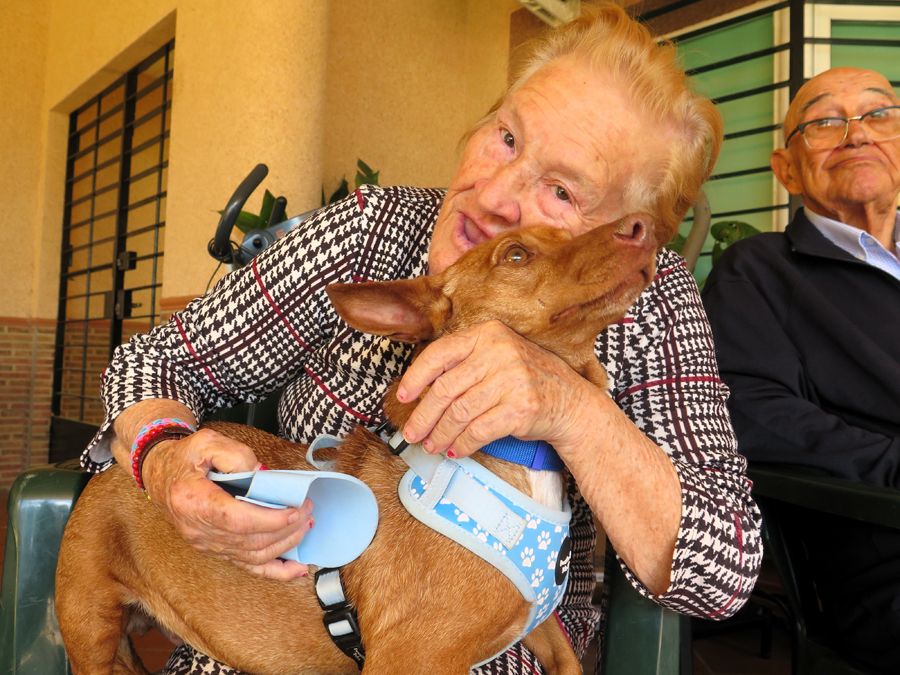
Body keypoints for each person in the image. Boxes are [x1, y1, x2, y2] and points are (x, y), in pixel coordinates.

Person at [84, 4, 762, 672]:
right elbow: (161, 358)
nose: (496, 192)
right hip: (267, 634)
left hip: (503, 648)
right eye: (506, 138)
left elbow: (723, 567)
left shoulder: (654, 301)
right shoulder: (368, 233)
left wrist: (568, 406)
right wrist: (163, 456)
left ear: (622, 236)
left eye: (561, 191)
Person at [702, 67, 900, 672]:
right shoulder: (757, 271)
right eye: (823, 122)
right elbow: (754, 413)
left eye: (878, 114)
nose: (856, 134)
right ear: (785, 168)